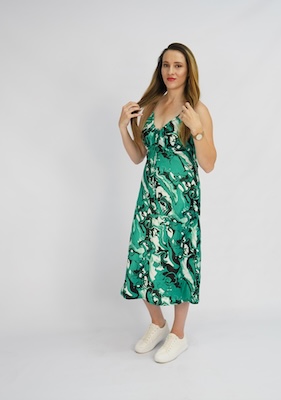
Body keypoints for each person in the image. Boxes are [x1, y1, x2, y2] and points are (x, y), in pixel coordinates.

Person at [118, 43, 216, 363]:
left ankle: (178, 334)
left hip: (180, 202)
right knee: (142, 257)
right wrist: (123, 127)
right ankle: (158, 323)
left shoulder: (197, 110)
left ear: (188, 71)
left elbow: (209, 164)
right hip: (149, 197)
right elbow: (138, 156)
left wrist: (198, 131)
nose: (170, 71)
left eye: (178, 66)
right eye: (166, 65)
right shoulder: (150, 106)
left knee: (178, 263)